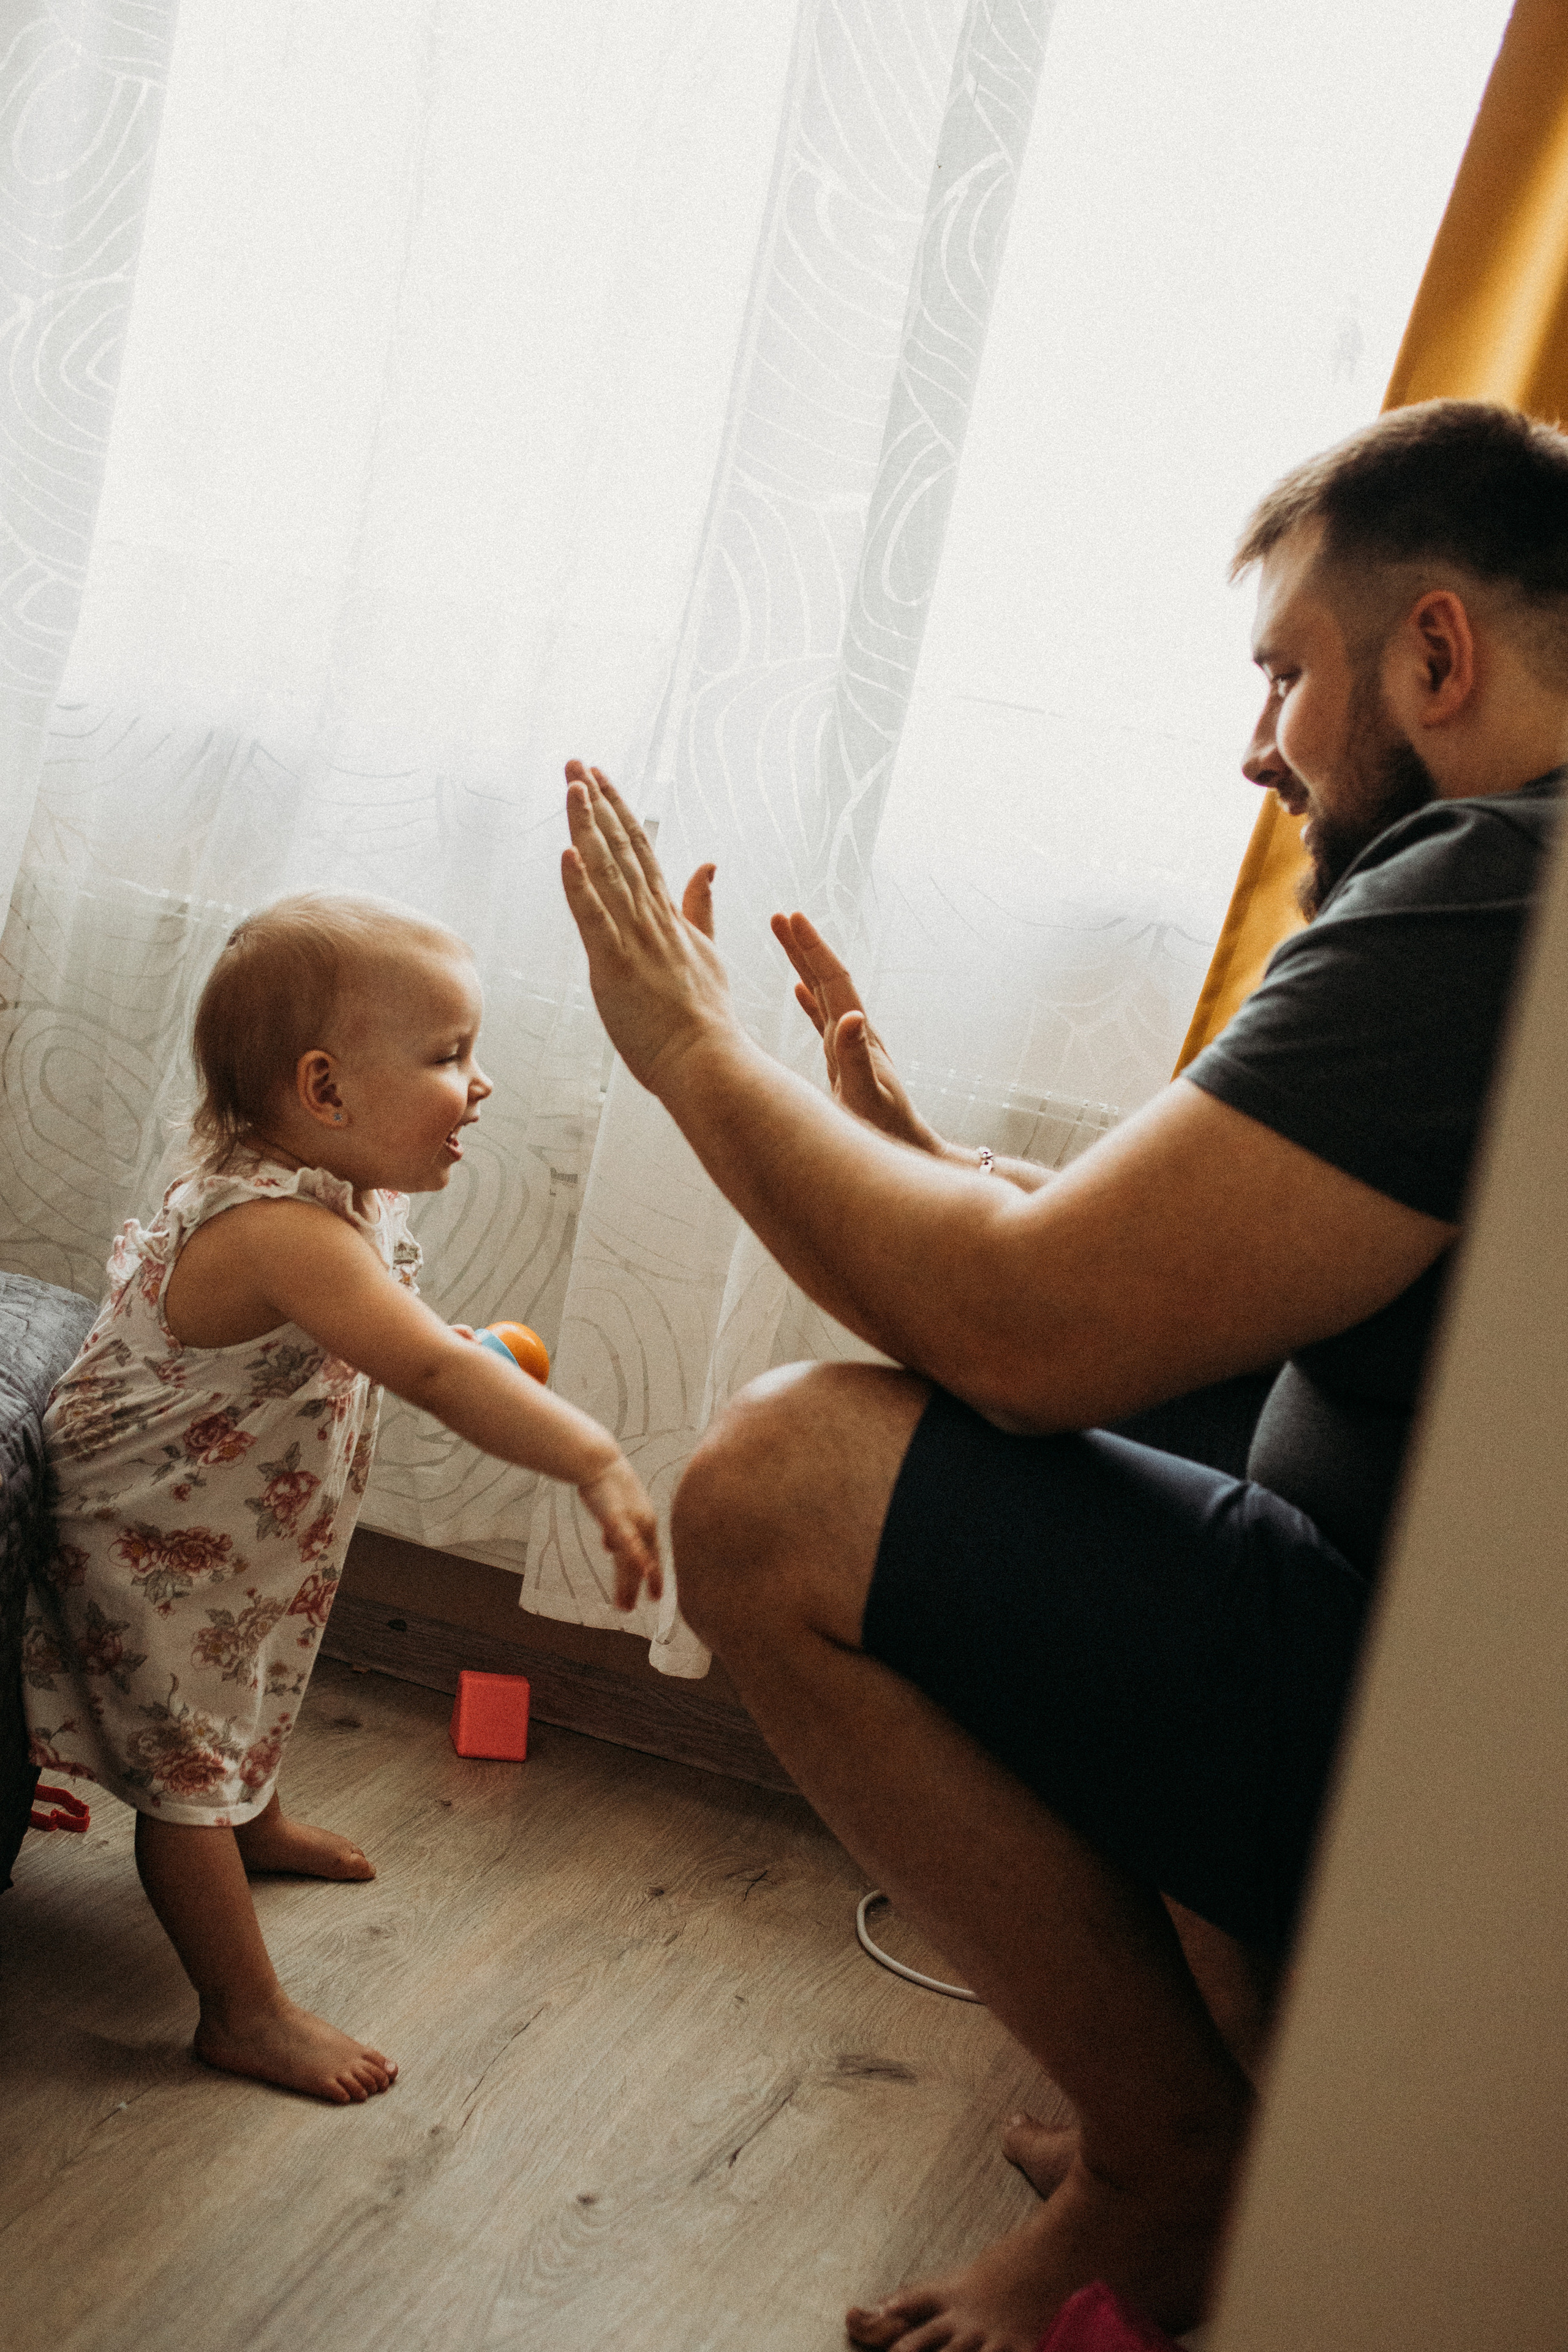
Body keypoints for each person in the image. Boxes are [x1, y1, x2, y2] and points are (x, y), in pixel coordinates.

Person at [557, 399, 1568, 2346]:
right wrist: (934, 1174)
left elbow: (1029, 1337)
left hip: (1464, 1771)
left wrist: (691, 1050)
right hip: (1440, 1636)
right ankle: (1235, 2094)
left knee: (772, 1488)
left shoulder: (1491, 890)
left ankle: (1172, 2156)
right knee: (1032, 1372)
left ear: (1435, 653)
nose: (1257, 742)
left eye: (1286, 673)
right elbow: (1209, 1272)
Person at [23, 894, 660, 2105]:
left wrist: (443, 1337)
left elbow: (384, 1332)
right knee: (180, 1770)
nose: (480, 1087)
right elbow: (424, 1365)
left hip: (238, 1532)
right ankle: (242, 2011)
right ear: (323, 1090)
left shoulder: (328, 1186)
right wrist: (589, 1457)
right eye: (449, 1056)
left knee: (248, 1678)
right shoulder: (276, 1225)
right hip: (150, 1540)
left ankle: (253, 1822)